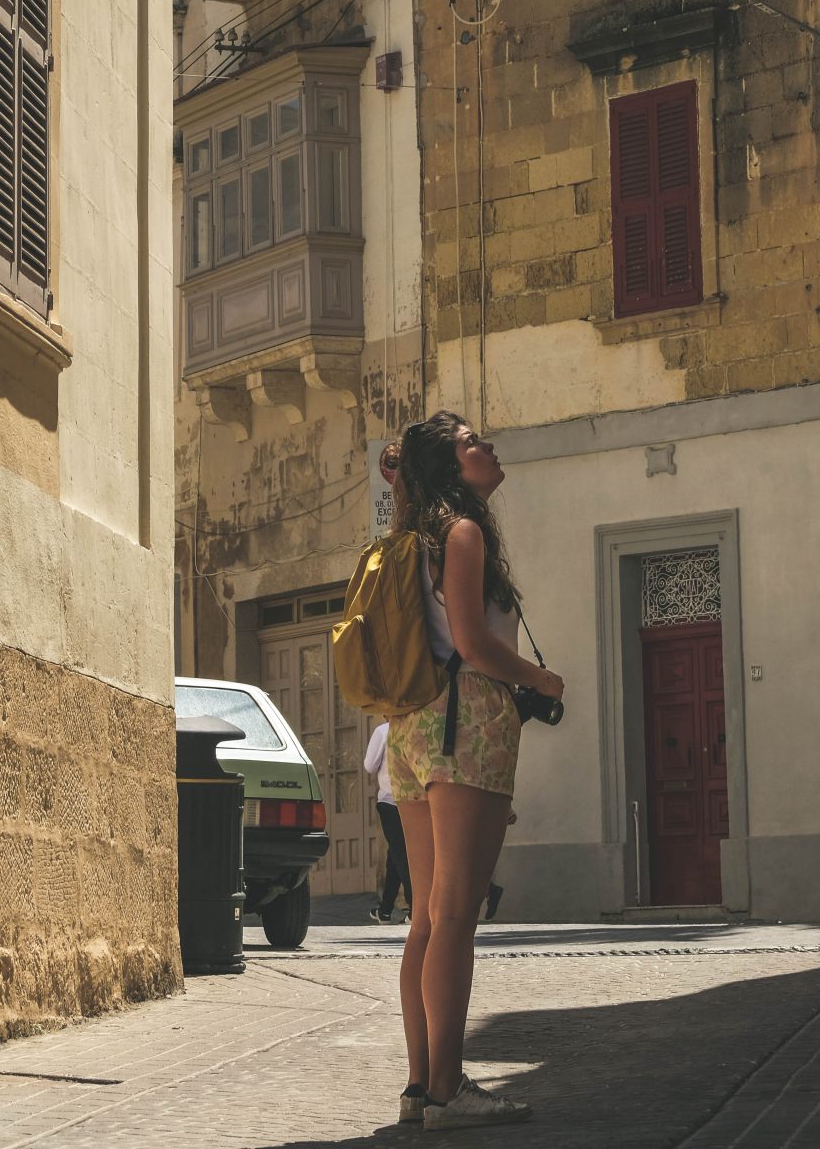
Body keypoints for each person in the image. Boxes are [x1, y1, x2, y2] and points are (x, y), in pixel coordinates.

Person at [386, 413, 564, 1131]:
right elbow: (473, 643)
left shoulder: (412, 539)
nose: (486, 447)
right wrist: (542, 681)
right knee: (454, 915)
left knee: (427, 919)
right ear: (452, 467)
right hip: (466, 720)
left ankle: (420, 1088)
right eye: (469, 442)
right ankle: (448, 1091)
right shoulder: (462, 534)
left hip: (412, 728)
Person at [364, 718, 411, 922]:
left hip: (391, 800)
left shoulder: (384, 731)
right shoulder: (416, 725)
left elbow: (370, 765)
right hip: (415, 801)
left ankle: (416, 906)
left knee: (401, 855)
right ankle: (385, 909)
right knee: (395, 854)